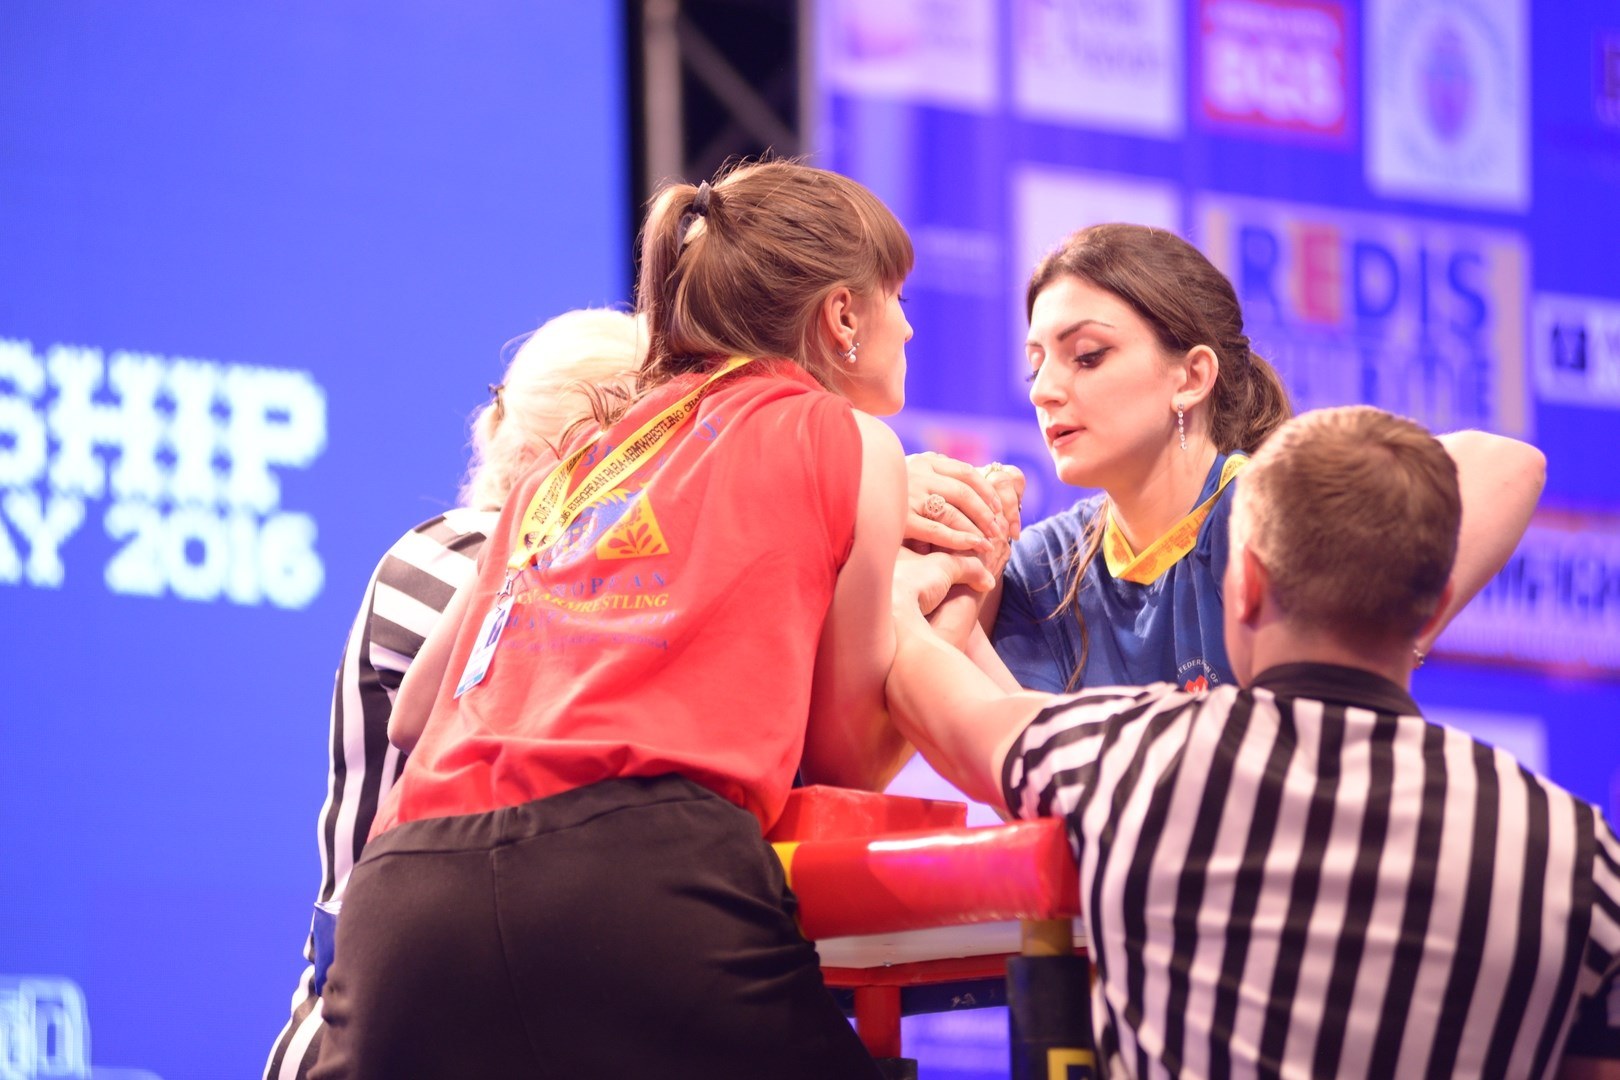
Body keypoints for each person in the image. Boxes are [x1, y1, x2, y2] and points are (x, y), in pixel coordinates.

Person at [309, 160, 917, 1080]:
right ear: (841, 316)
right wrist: (943, 609)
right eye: (895, 298)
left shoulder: (580, 457)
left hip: (408, 902)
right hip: (638, 884)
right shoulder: (853, 441)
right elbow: (840, 760)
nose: (907, 325)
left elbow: (413, 714)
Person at [886, 405, 1619, 1080]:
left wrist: (919, 576)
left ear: (1247, 588)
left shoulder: (1130, 758)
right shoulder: (1580, 857)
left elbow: (933, 694)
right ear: (1434, 614)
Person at [906, 223, 1544, 696]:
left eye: (1089, 355)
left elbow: (1510, 466)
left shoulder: (1274, 506)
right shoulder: (1043, 566)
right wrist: (971, 568)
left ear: (1191, 377)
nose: (1044, 389)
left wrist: (1384, 632)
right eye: (1036, 364)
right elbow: (1025, 754)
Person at [262, 308, 643, 1080]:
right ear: (587, 442)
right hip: (372, 1038)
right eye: (660, 437)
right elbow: (570, 688)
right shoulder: (447, 555)